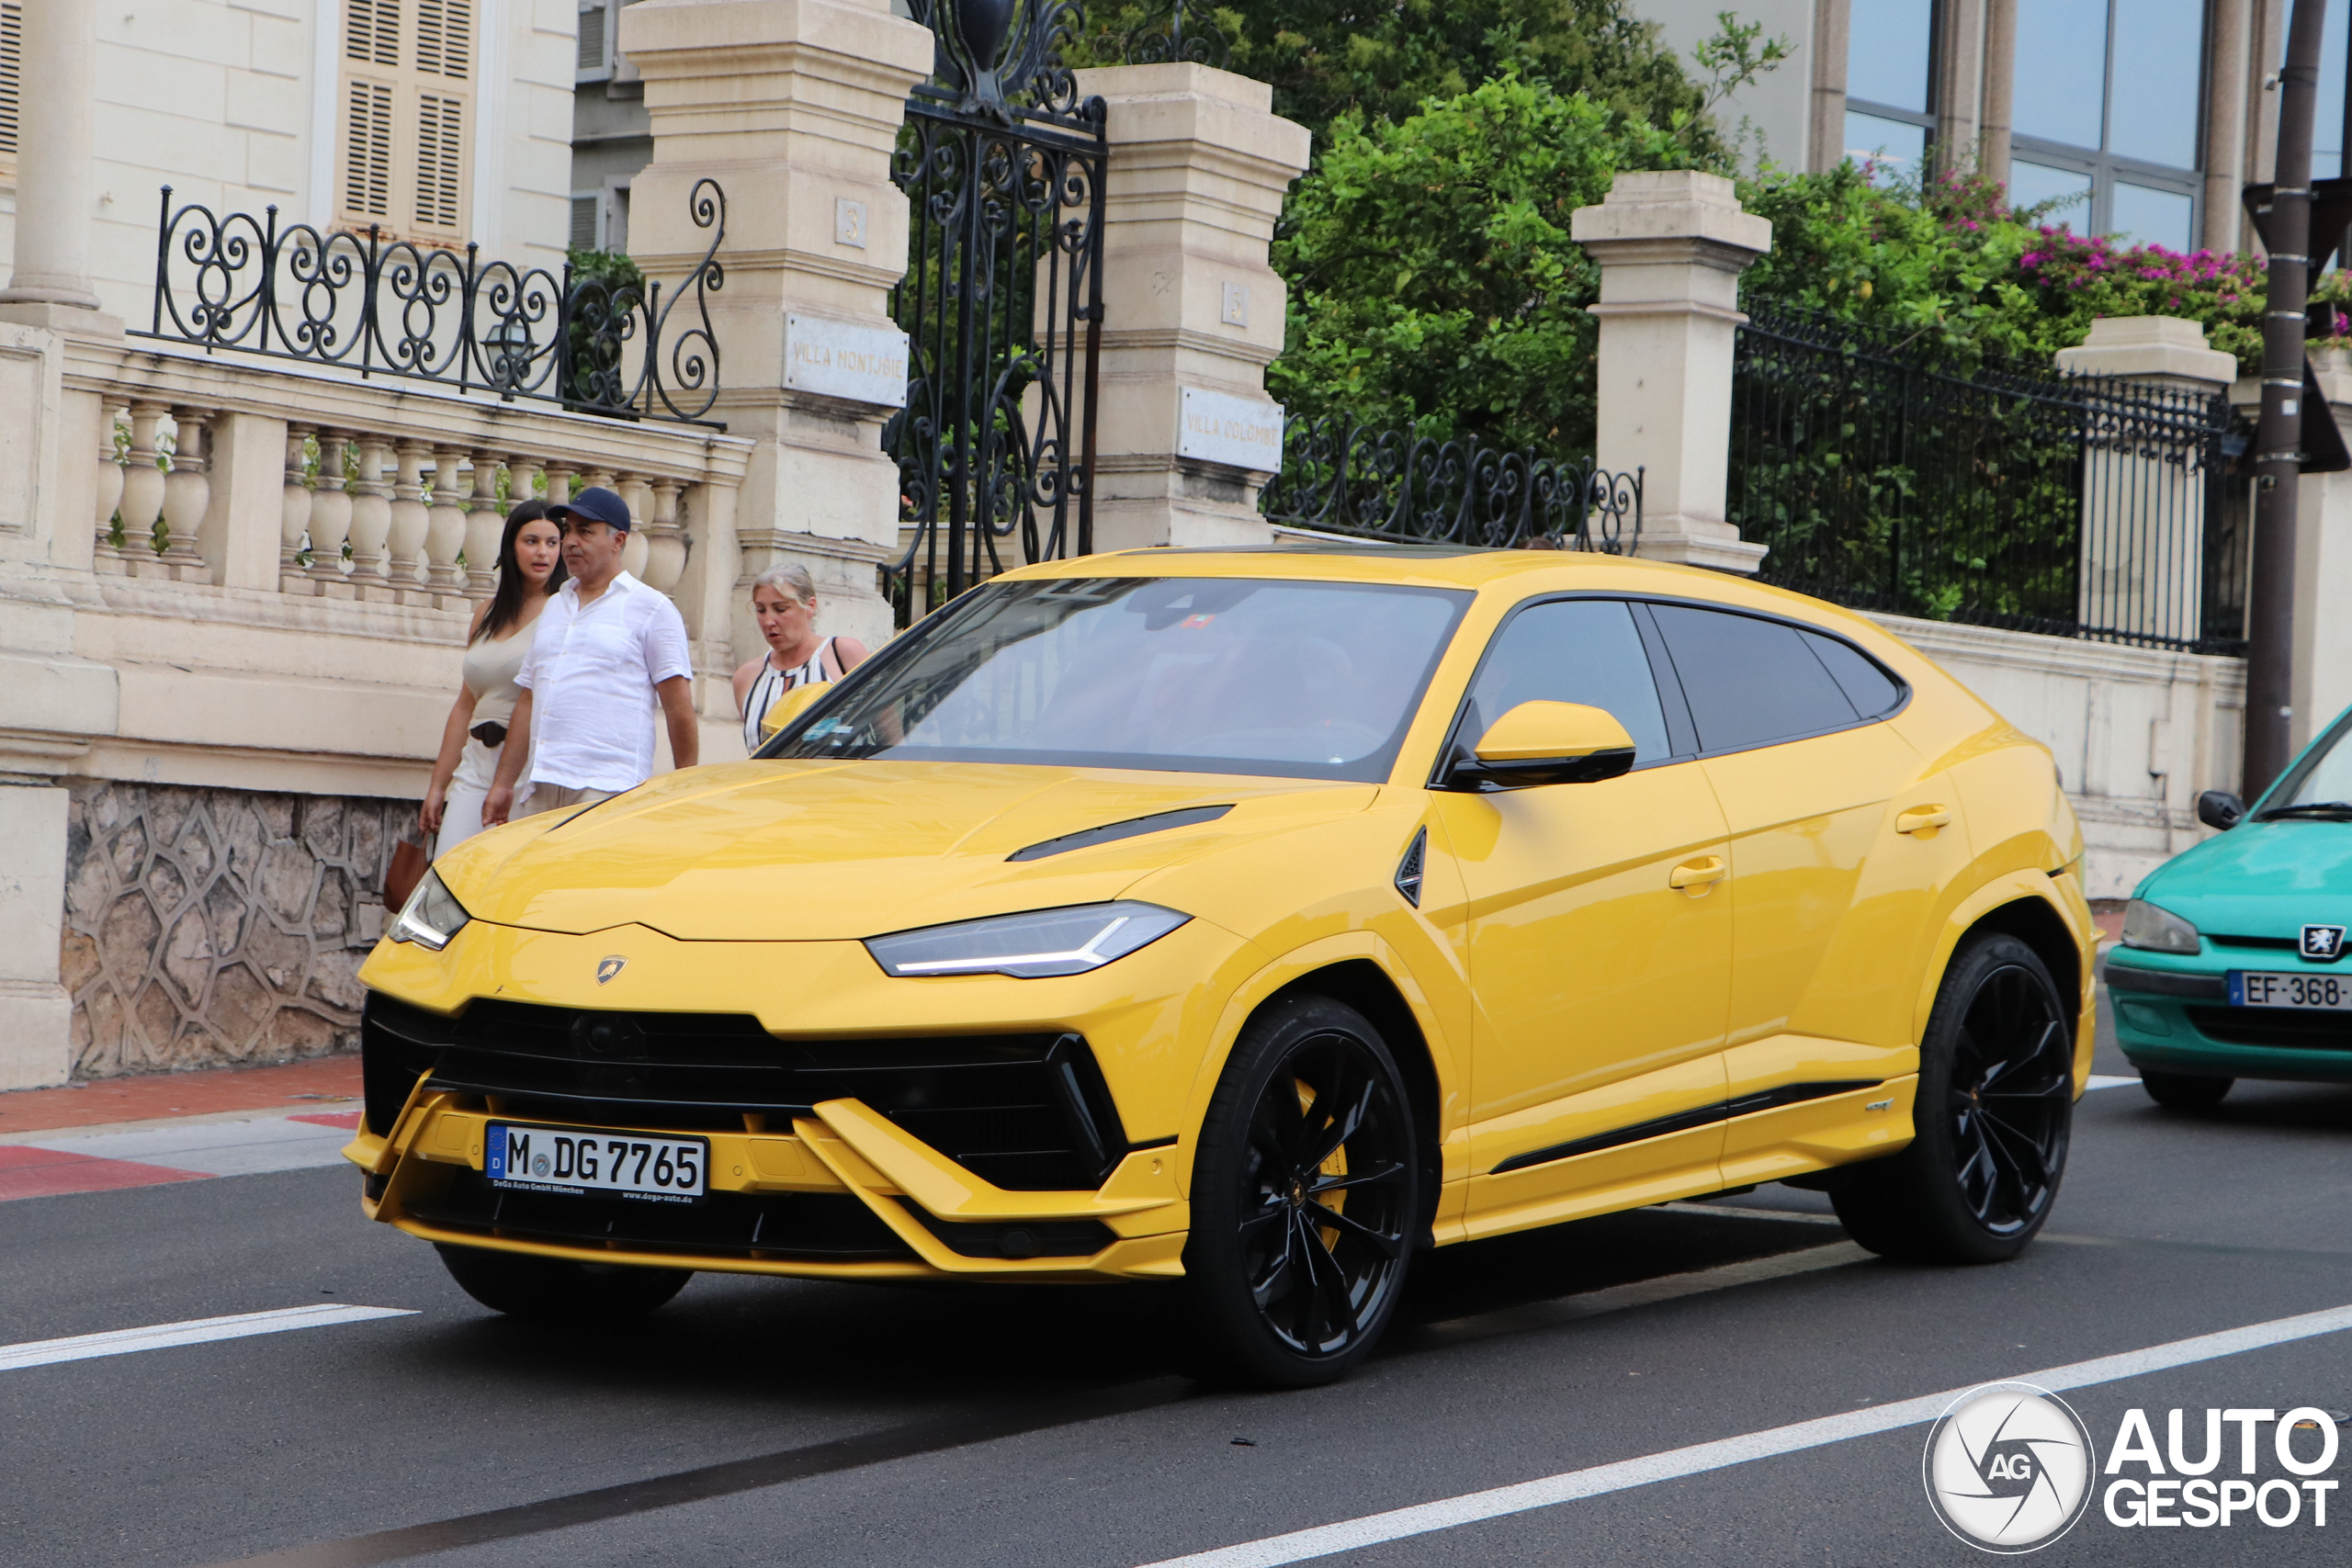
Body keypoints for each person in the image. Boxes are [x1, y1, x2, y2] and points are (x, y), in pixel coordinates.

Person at [482, 486, 699, 826]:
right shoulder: (555, 605)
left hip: (608, 788)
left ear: (618, 540)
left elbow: (678, 707)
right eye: (568, 530)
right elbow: (529, 697)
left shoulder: (652, 608)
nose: (570, 541)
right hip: (541, 782)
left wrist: (685, 786)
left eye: (584, 531)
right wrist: (504, 783)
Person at [420, 500, 566, 851]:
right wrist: (438, 785)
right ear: (511, 547)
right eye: (531, 541)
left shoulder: (563, 609)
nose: (542, 552)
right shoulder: (487, 611)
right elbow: (465, 704)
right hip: (476, 761)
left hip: (527, 767)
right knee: (450, 865)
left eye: (552, 543)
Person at [732, 564, 870, 751]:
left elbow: (889, 732)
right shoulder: (746, 677)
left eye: (780, 609)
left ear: (810, 606)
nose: (768, 621)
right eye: (761, 610)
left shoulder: (843, 654)